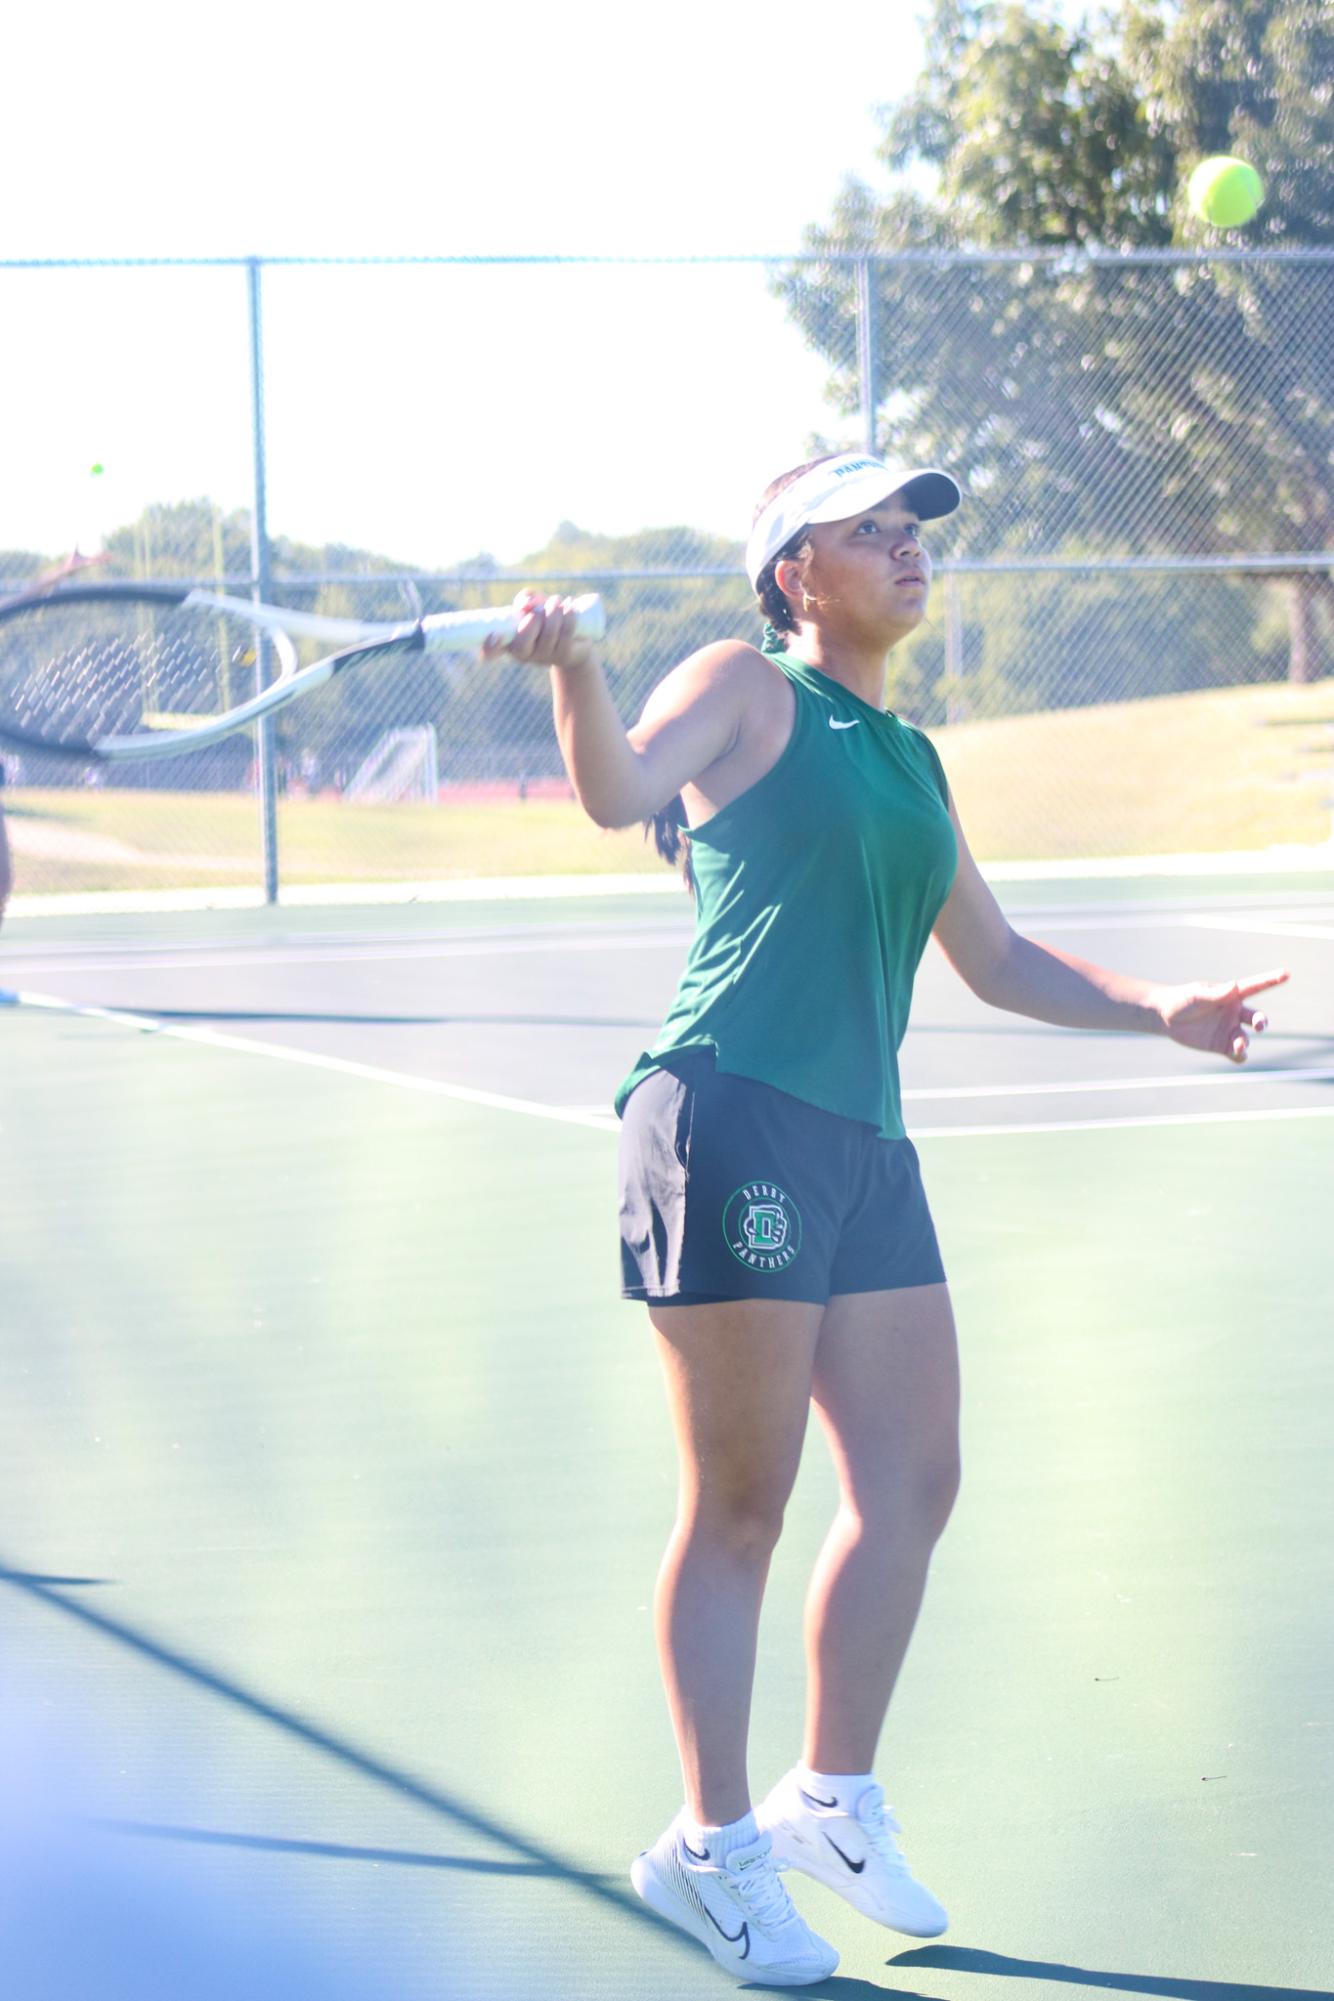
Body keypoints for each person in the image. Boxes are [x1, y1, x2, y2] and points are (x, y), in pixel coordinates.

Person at [490, 452, 1289, 1988]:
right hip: (728, 1115)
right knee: (741, 1502)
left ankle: (827, 1800)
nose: (909, 550)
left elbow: (990, 958)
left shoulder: (910, 754)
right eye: (871, 531)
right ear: (796, 570)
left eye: (913, 530)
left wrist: (1162, 1008)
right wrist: (576, 665)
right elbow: (614, 792)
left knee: (914, 1479)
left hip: (860, 1140)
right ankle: (708, 1851)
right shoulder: (743, 682)